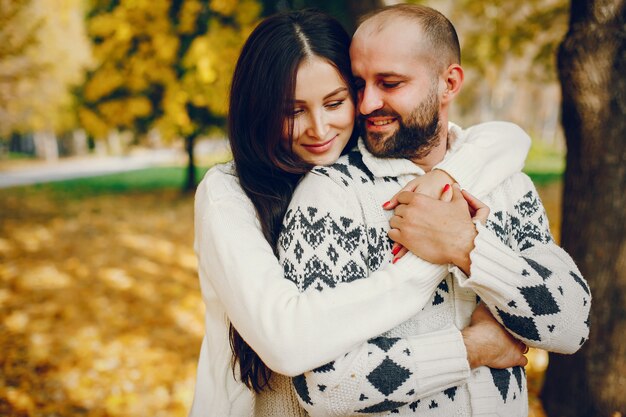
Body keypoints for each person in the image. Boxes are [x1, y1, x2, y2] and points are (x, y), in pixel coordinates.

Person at [189, 9, 532, 417]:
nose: (319, 129)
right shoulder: (226, 193)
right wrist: (434, 263)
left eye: (335, 102)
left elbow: (507, 139)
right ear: (258, 110)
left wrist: (445, 176)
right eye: (293, 110)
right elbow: (286, 340)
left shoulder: (362, 165)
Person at [277, 4, 591, 416]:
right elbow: (322, 384)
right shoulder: (331, 195)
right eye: (358, 84)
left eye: (390, 83)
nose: (368, 103)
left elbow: (571, 327)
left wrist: (467, 247)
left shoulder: (508, 185)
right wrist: (470, 350)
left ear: (449, 83)